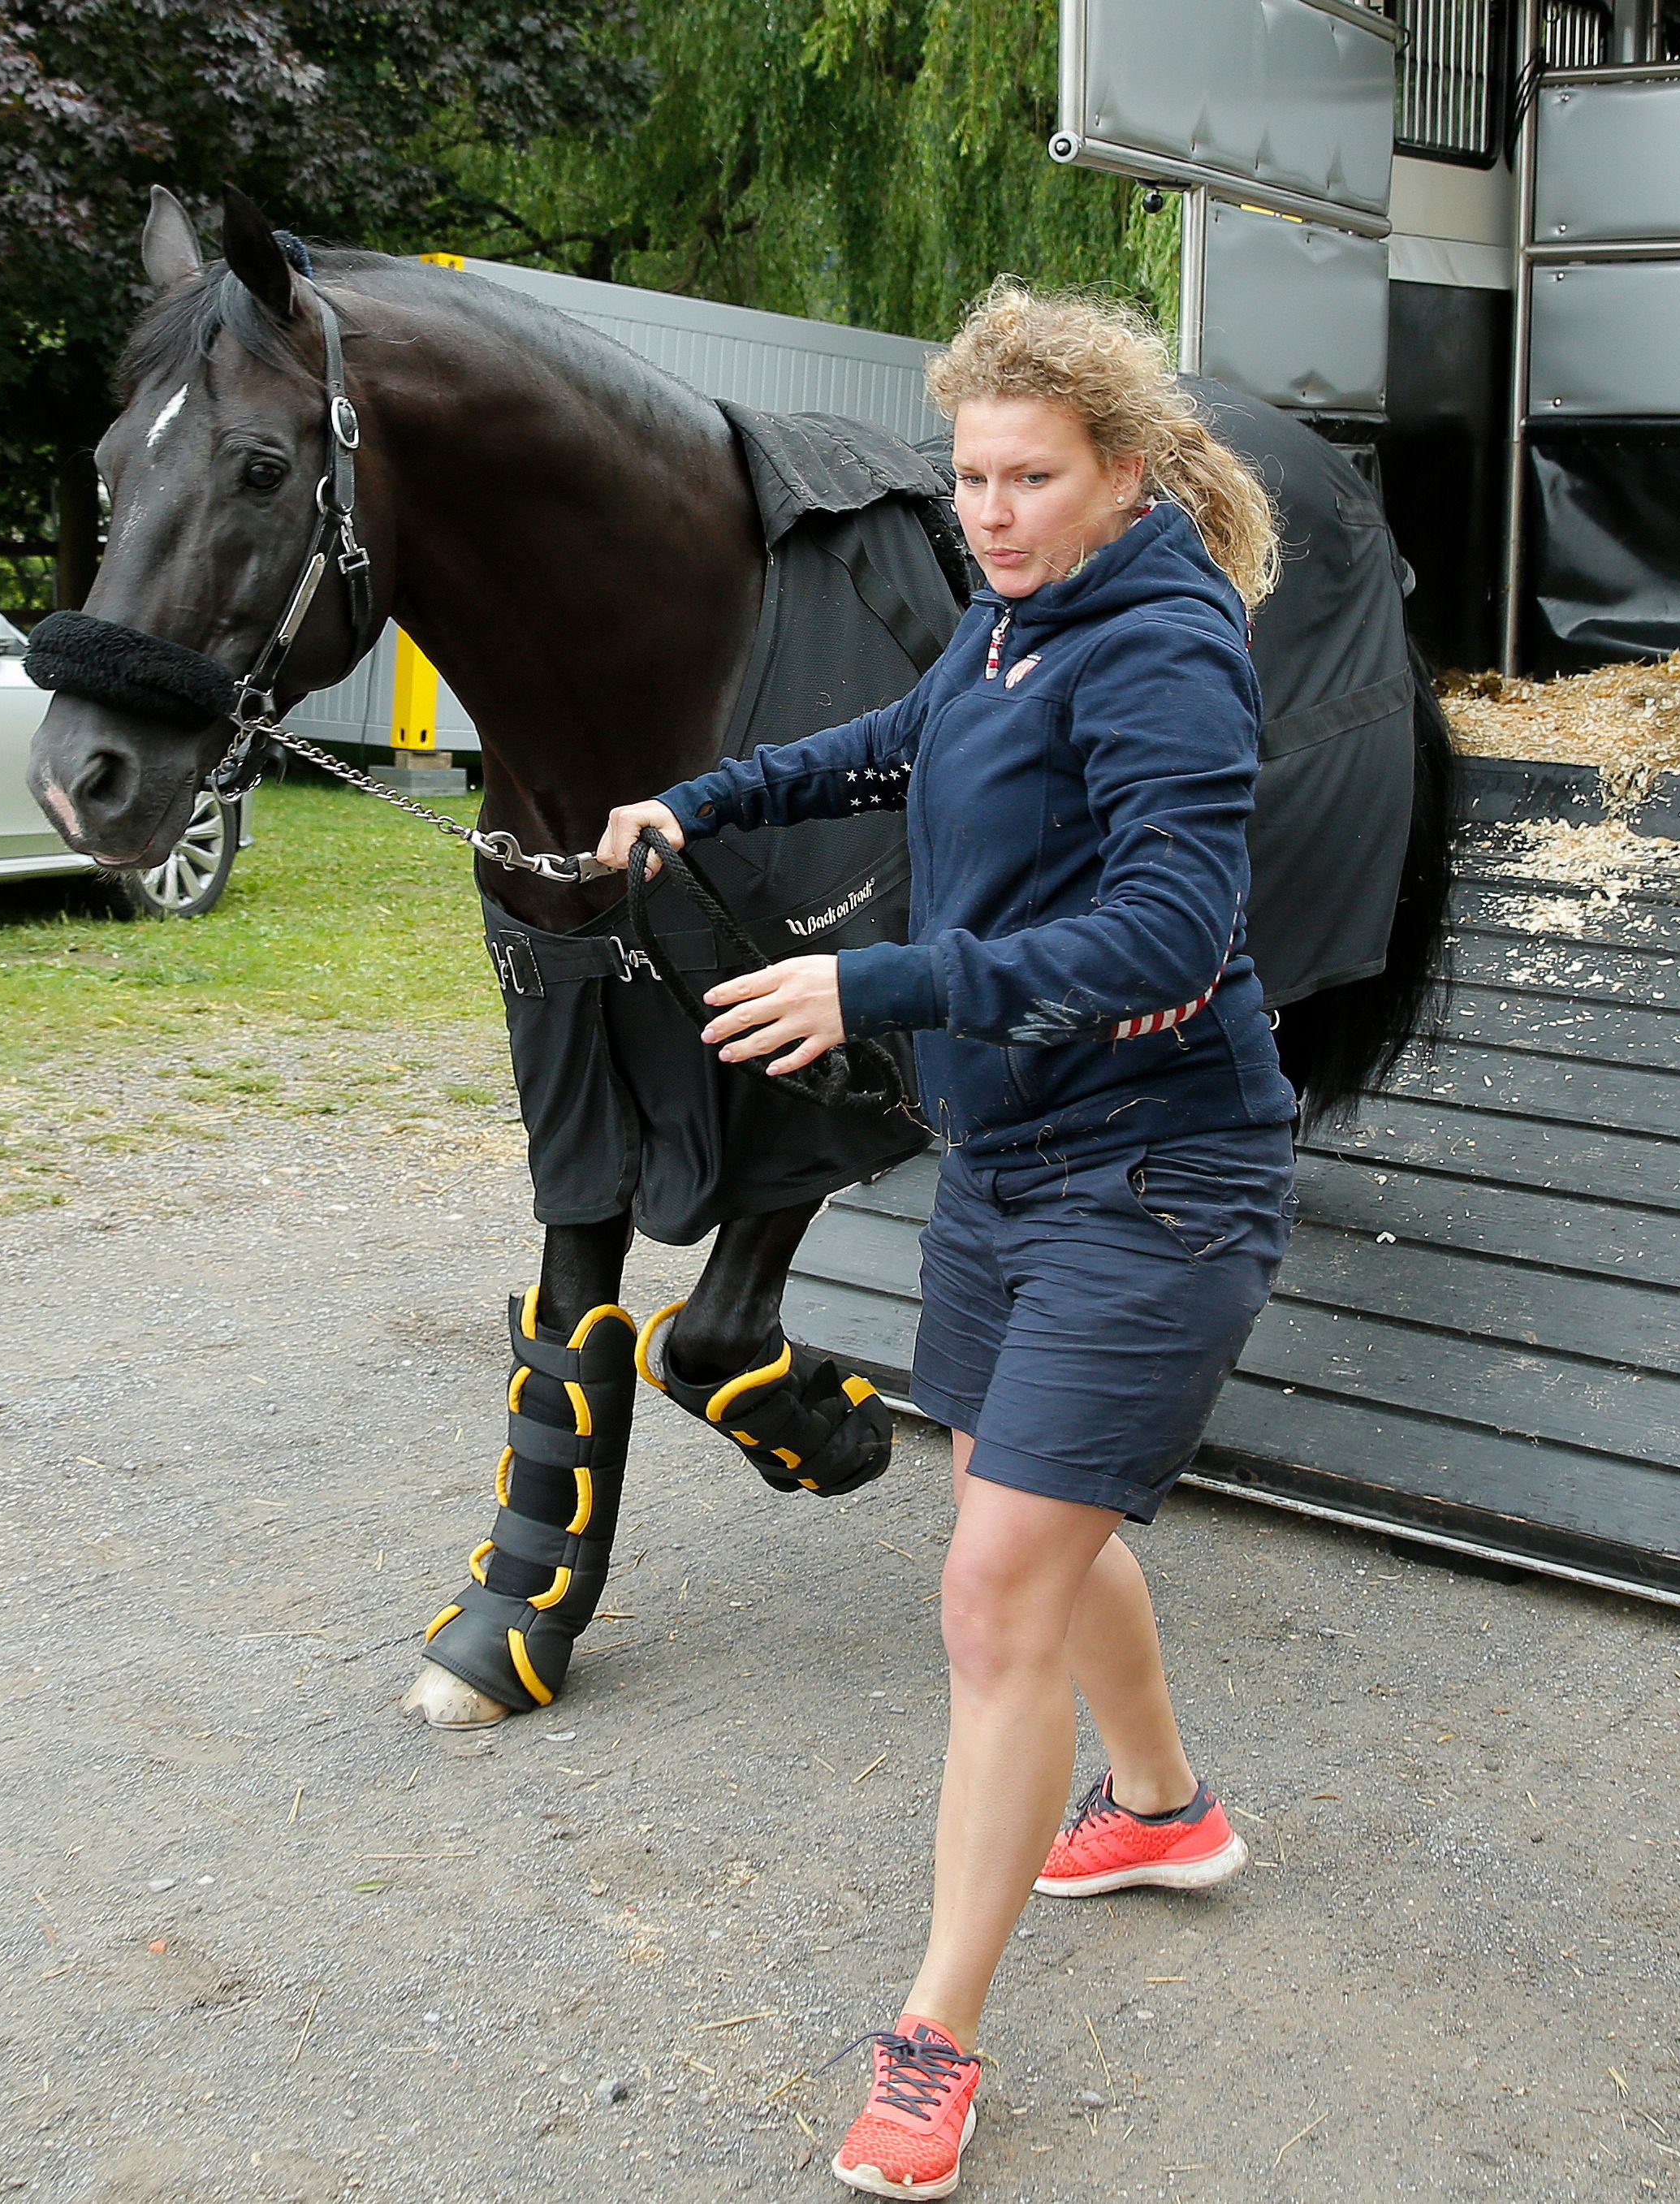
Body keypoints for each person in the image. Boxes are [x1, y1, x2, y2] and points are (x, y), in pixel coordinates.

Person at [598, 279, 1295, 2202]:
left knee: (993, 1587)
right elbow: (886, 740)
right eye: (967, 476)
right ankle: (1160, 1805)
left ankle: (934, 2037)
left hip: (1159, 1174)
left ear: (1124, 474)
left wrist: (877, 978)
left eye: (1027, 478)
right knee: (1026, 1511)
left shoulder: (1157, 648)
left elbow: (1167, 931)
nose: (985, 512)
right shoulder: (1013, 617)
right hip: (1013, 1160)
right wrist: (694, 800)